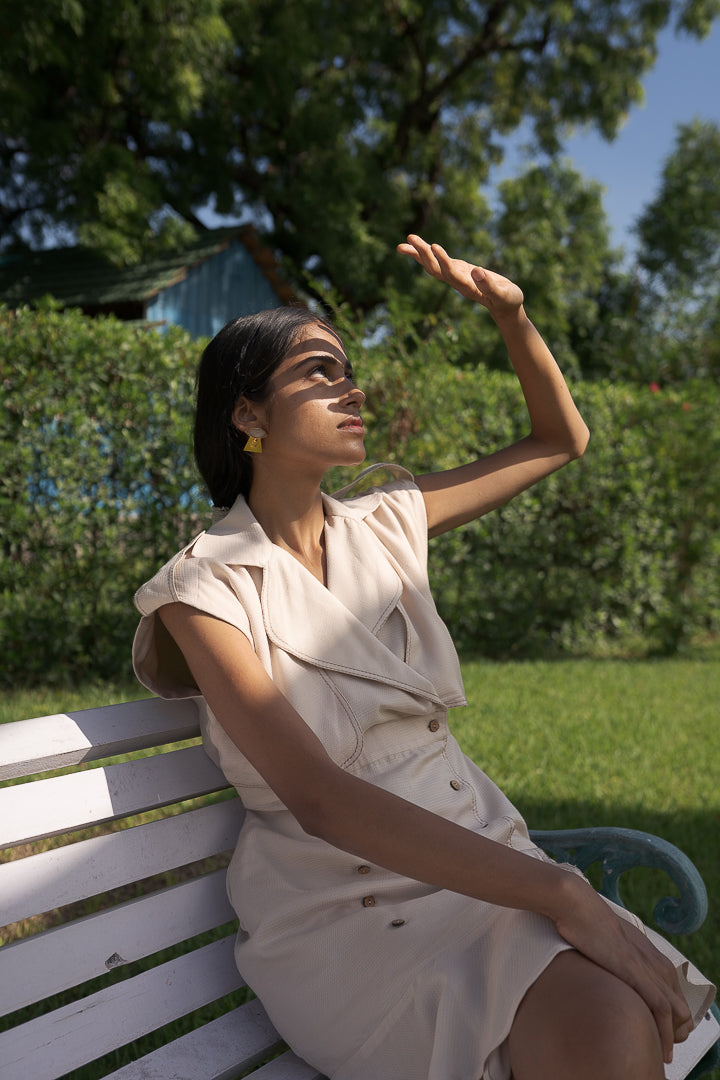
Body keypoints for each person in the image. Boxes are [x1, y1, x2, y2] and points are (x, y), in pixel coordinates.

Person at [133, 235, 714, 1080]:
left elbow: (559, 440)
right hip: (348, 912)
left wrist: (511, 318)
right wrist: (560, 891)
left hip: (485, 867)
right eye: (318, 372)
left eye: (348, 369)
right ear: (247, 414)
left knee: (614, 1025)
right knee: (612, 1032)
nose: (350, 386)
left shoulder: (384, 523)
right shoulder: (200, 589)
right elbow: (322, 800)